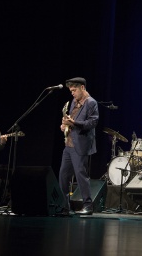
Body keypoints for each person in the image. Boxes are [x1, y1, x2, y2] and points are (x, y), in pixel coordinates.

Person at [59, 77, 99, 216]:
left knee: (81, 175)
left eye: (74, 90)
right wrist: (65, 125)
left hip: (81, 145)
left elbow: (92, 123)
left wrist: (73, 123)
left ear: (82, 88)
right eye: (71, 91)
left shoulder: (91, 103)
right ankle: (64, 206)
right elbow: (71, 119)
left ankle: (88, 206)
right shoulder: (73, 102)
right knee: (63, 176)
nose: (72, 93)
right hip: (68, 144)